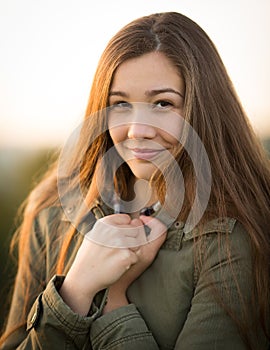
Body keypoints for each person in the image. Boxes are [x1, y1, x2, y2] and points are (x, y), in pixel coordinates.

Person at [0, 11, 270, 350]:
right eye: (120, 104)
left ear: (202, 110)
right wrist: (76, 290)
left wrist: (112, 298)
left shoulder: (233, 237)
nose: (136, 131)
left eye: (162, 103)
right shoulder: (51, 214)